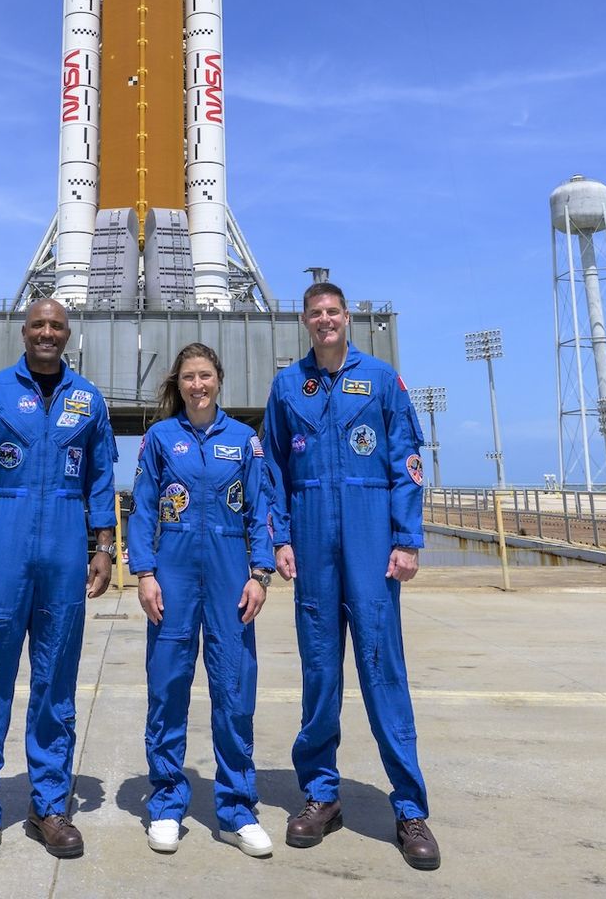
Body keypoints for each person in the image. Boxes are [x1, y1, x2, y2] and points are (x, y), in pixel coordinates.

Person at [261, 280, 441, 872]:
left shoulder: (383, 380)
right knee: (319, 674)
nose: (324, 320)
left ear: (347, 317)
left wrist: (407, 539)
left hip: (370, 542)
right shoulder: (289, 386)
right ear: (305, 323)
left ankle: (410, 809)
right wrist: (280, 539)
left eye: (332, 311)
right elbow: (274, 472)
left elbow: (406, 461)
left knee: (383, 671)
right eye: (315, 313)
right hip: (312, 544)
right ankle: (320, 795)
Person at [0, 298, 118, 875]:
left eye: (57, 327)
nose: (47, 333)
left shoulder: (87, 400)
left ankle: (49, 806)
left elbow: (99, 478)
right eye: (39, 325)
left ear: (68, 335)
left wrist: (103, 547)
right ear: (25, 332)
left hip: (66, 548)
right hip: (5, 546)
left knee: (55, 684)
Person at [126, 343, 287, 858]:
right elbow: (143, 509)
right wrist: (144, 573)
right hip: (171, 574)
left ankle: (238, 810)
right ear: (178, 383)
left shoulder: (244, 441)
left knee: (234, 691)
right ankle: (168, 803)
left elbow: (261, 508)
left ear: (219, 379)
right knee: (168, 689)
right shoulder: (158, 439)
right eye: (190, 377)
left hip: (228, 574)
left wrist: (259, 573)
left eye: (206, 376)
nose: (199, 385)